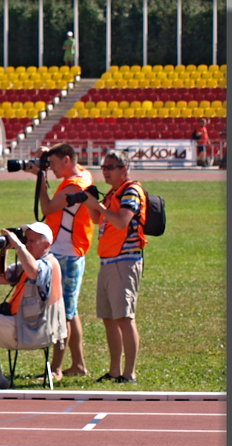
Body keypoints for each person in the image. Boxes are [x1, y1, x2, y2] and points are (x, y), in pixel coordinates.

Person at [0, 222, 65, 389]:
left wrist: (19, 245)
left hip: (36, 329)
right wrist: (4, 251)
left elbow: (35, 272)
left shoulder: (49, 264)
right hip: (25, 324)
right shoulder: (29, 262)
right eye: (26, 240)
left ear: (46, 244)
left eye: (32, 241)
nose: (27, 244)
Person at [73, 149, 147, 384]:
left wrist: (99, 205)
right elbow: (100, 220)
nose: (105, 171)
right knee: (109, 317)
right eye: (103, 167)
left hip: (125, 260)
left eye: (110, 167)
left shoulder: (131, 191)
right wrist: (90, 204)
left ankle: (130, 373)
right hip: (108, 260)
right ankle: (115, 370)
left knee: (124, 317)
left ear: (124, 169)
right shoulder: (114, 193)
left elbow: (122, 221)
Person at [24, 142, 96, 379]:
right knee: (70, 311)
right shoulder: (83, 174)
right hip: (72, 251)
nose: (52, 168)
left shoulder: (73, 187)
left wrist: (41, 177)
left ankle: (55, 368)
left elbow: (47, 207)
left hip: (67, 254)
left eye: (54, 164)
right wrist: (46, 158)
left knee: (61, 312)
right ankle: (78, 365)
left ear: (66, 160)